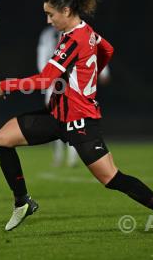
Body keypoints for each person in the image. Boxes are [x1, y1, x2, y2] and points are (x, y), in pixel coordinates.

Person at [0, 0, 153, 237]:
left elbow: (45, 79)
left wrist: (8, 85)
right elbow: (107, 50)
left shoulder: (73, 39)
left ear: (67, 10)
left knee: (112, 179)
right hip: (56, 115)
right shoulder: (86, 32)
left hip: (80, 120)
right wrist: (88, 79)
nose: (48, 20)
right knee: (1, 140)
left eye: (51, 14)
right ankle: (22, 202)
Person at [37, 26, 111, 167]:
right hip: (54, 82)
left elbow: (93, 51)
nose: (50, 20)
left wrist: (104, 72)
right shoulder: (48, 35)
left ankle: (73, 158)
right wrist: (47, 77)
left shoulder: (82, 32)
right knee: (55, 120)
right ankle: (58, 156)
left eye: (51, 14)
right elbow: (42, 57)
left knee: (74, 121)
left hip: (76, 83)